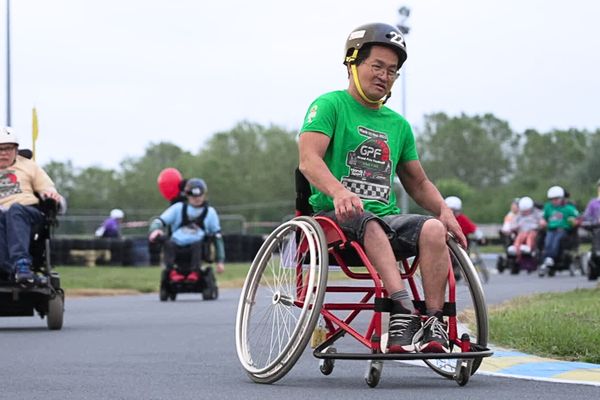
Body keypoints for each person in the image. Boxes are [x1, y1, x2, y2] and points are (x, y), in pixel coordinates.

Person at [298, 23, 466, 354]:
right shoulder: (329, 106)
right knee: (368, 219)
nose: (384, 76)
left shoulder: (398, 125)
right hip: (334, 219)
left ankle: (434, 323)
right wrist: (339, 191)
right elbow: (308, 161)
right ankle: (402, 310)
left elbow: (417, 181)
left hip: (384, 220)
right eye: (377, 66)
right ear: (353, 62)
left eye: (392, 71)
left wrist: (444, 210)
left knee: (432, 229)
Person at [0, 127, 64, 284]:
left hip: (28, 212)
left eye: (8, 149)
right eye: (0, 149)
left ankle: (22, 264)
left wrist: (50, 195)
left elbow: (47, 188)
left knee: (15, 210)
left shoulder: (29, 166)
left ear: (16, 149)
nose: (3, 153)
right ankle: (7, 269)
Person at [148, 178, 225, 281]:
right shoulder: (178, 208)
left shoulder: (210, 213)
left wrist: (220, 261)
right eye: (193, 196)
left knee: (198, 244)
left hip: (198, 246)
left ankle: (195, 272)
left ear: (204, 195)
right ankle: (172, 272)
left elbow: (217, 236)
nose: (197, 199)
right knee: (167, 242)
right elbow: (159, 221)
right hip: (177, 246)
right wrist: (154, 229)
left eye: (199, 195)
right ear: (187, 195)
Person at [538, 185, 579, 273]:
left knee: (556, 240)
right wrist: (542, 222)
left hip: (563, 230)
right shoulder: (548, 207)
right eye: (552, 199)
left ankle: (550, 258)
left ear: (561, 198)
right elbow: (543, 217)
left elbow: (577, 218)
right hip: (551, 229)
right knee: (548, 242)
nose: (554, 201)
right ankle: (547, 258)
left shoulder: (568, 208)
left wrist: (573, 221)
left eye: (556, 199)